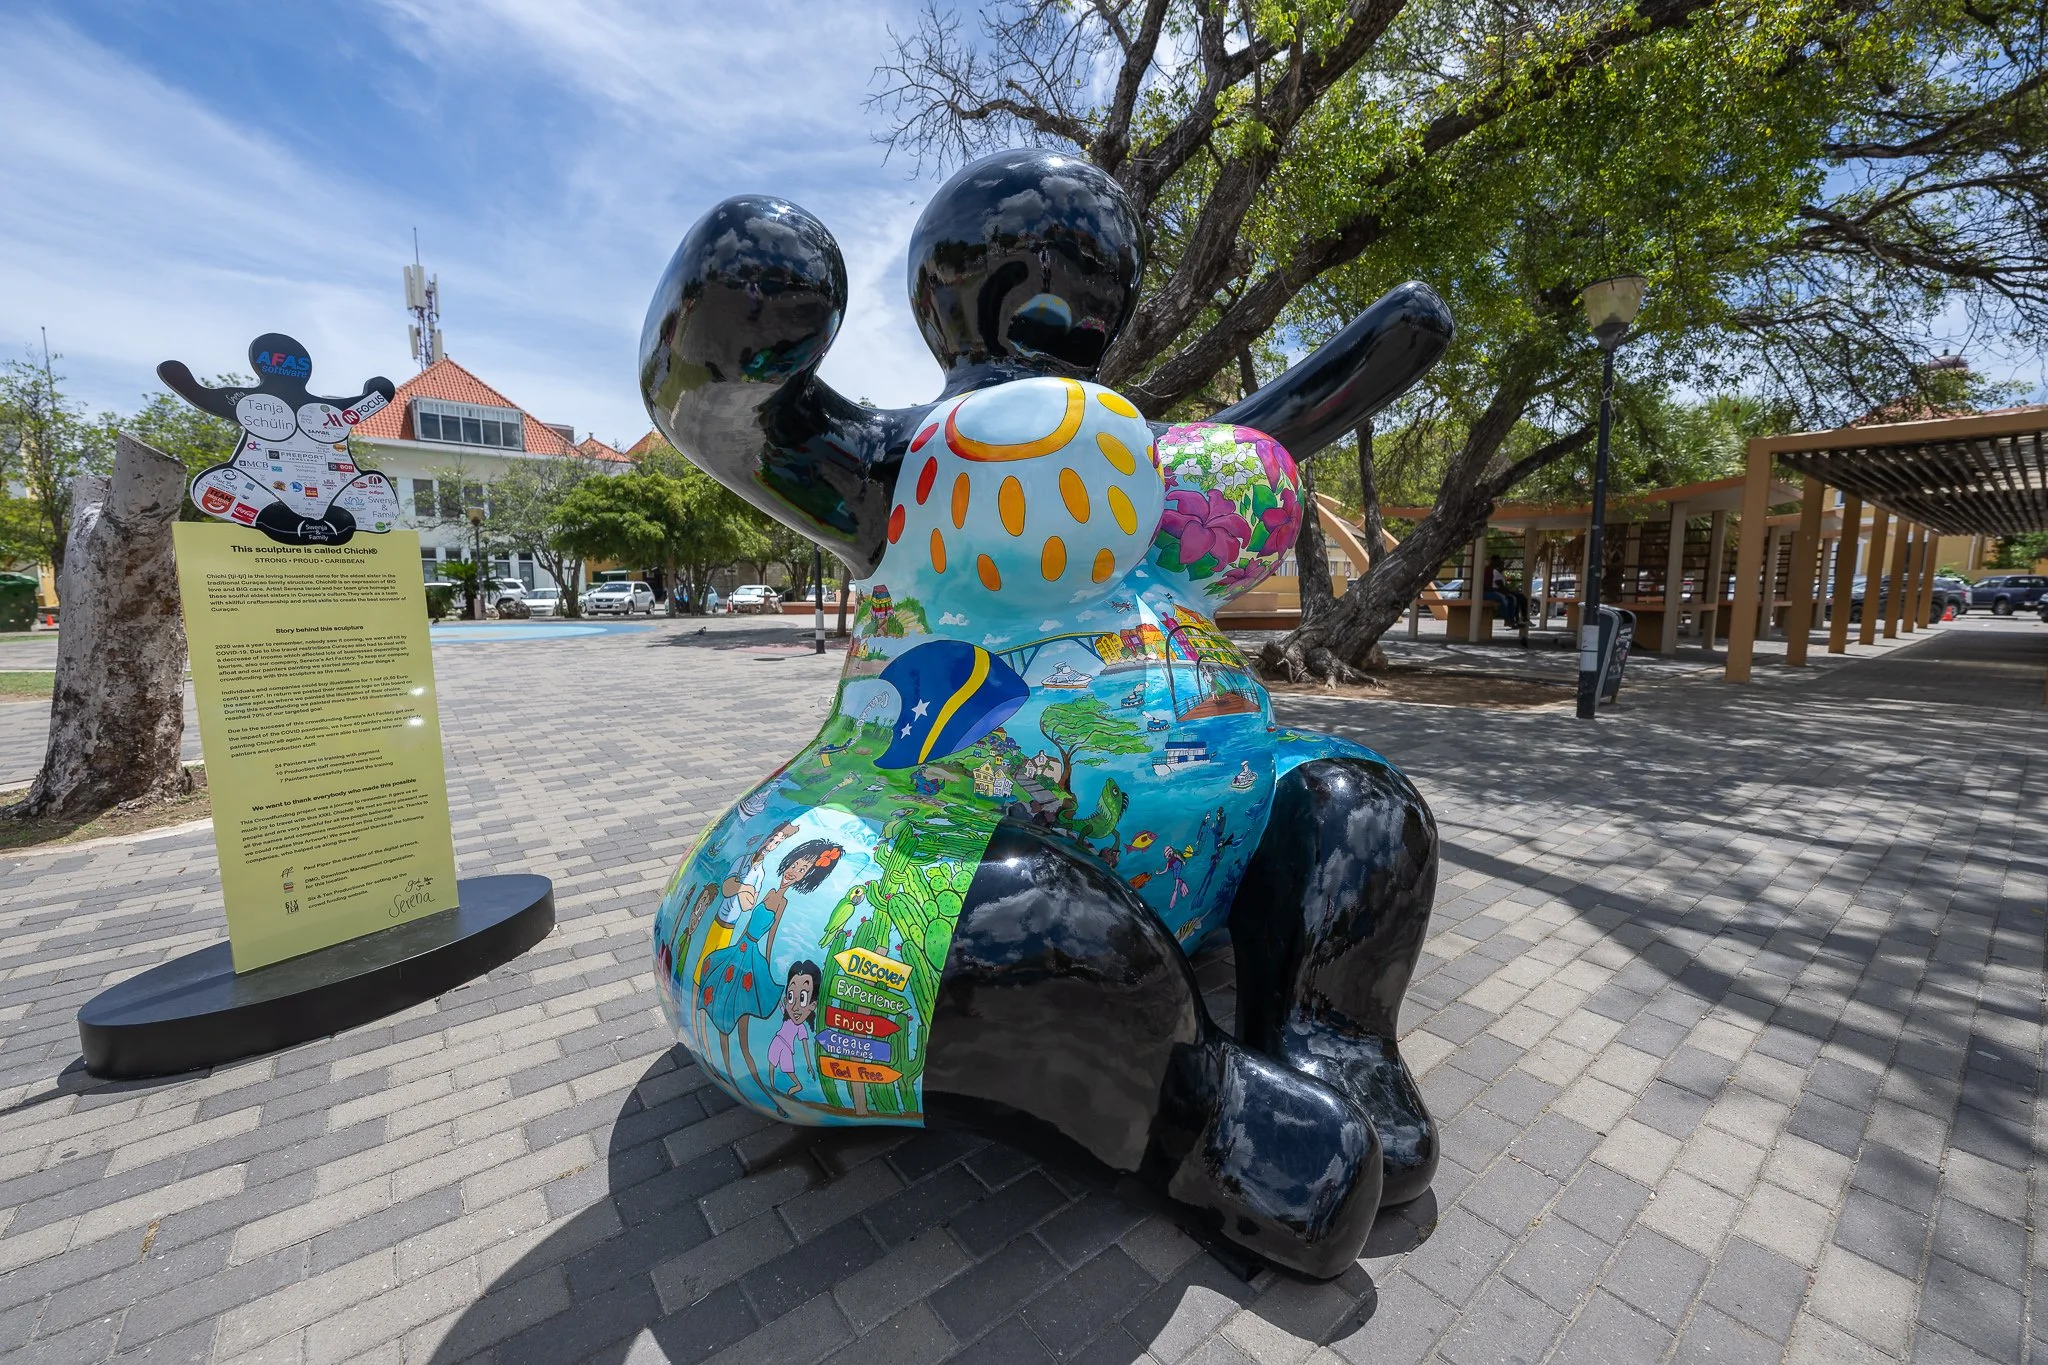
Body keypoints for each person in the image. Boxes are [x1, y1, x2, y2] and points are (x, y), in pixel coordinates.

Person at [1483, 555, 1528, 628]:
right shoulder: (1490, 571)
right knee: (1504, 598)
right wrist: (1506, 592)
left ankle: (1513, 620)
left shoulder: (1495, 571)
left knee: (1513, 599)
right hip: (1488, 592)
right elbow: (1494, 585)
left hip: (1492, 591)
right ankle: (1507, 619)